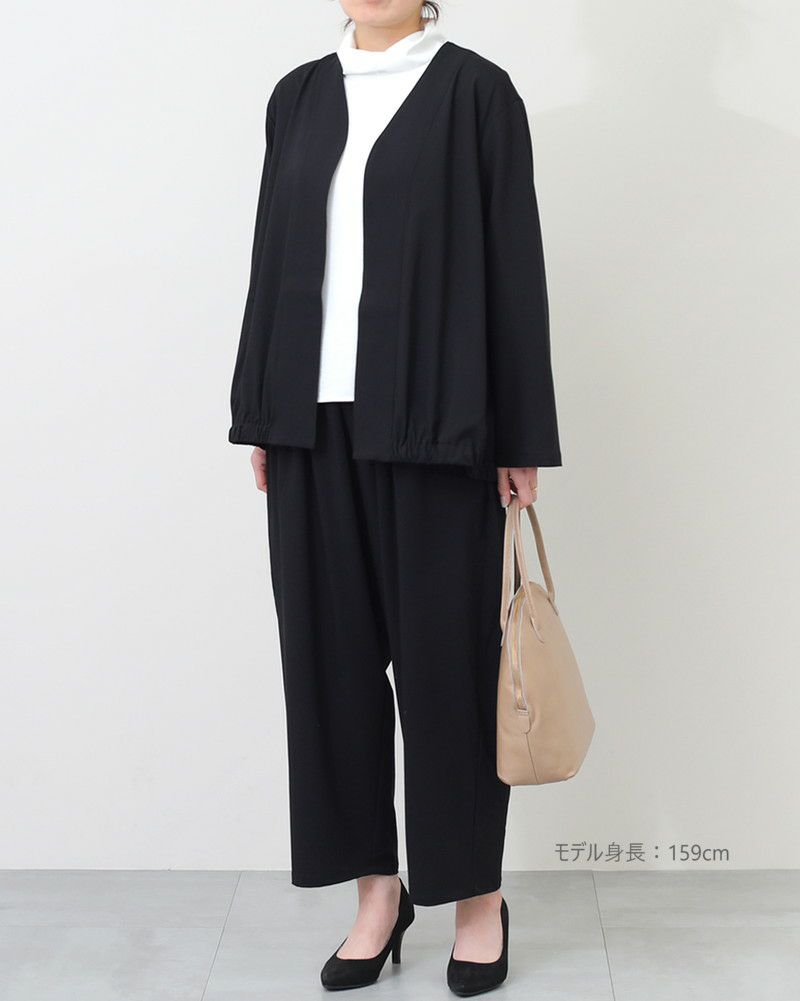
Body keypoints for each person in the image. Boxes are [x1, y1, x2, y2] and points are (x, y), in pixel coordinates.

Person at [228, 1, 561, 994]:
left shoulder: (476, 92)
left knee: (449, 672)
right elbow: (270, 254)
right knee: (327, 670)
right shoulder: (296, 96)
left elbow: (513, 263)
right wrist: (260, 409)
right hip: (309, 425)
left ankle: (475, 898)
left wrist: (519, 434)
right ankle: (377, 892)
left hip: (436, 421)